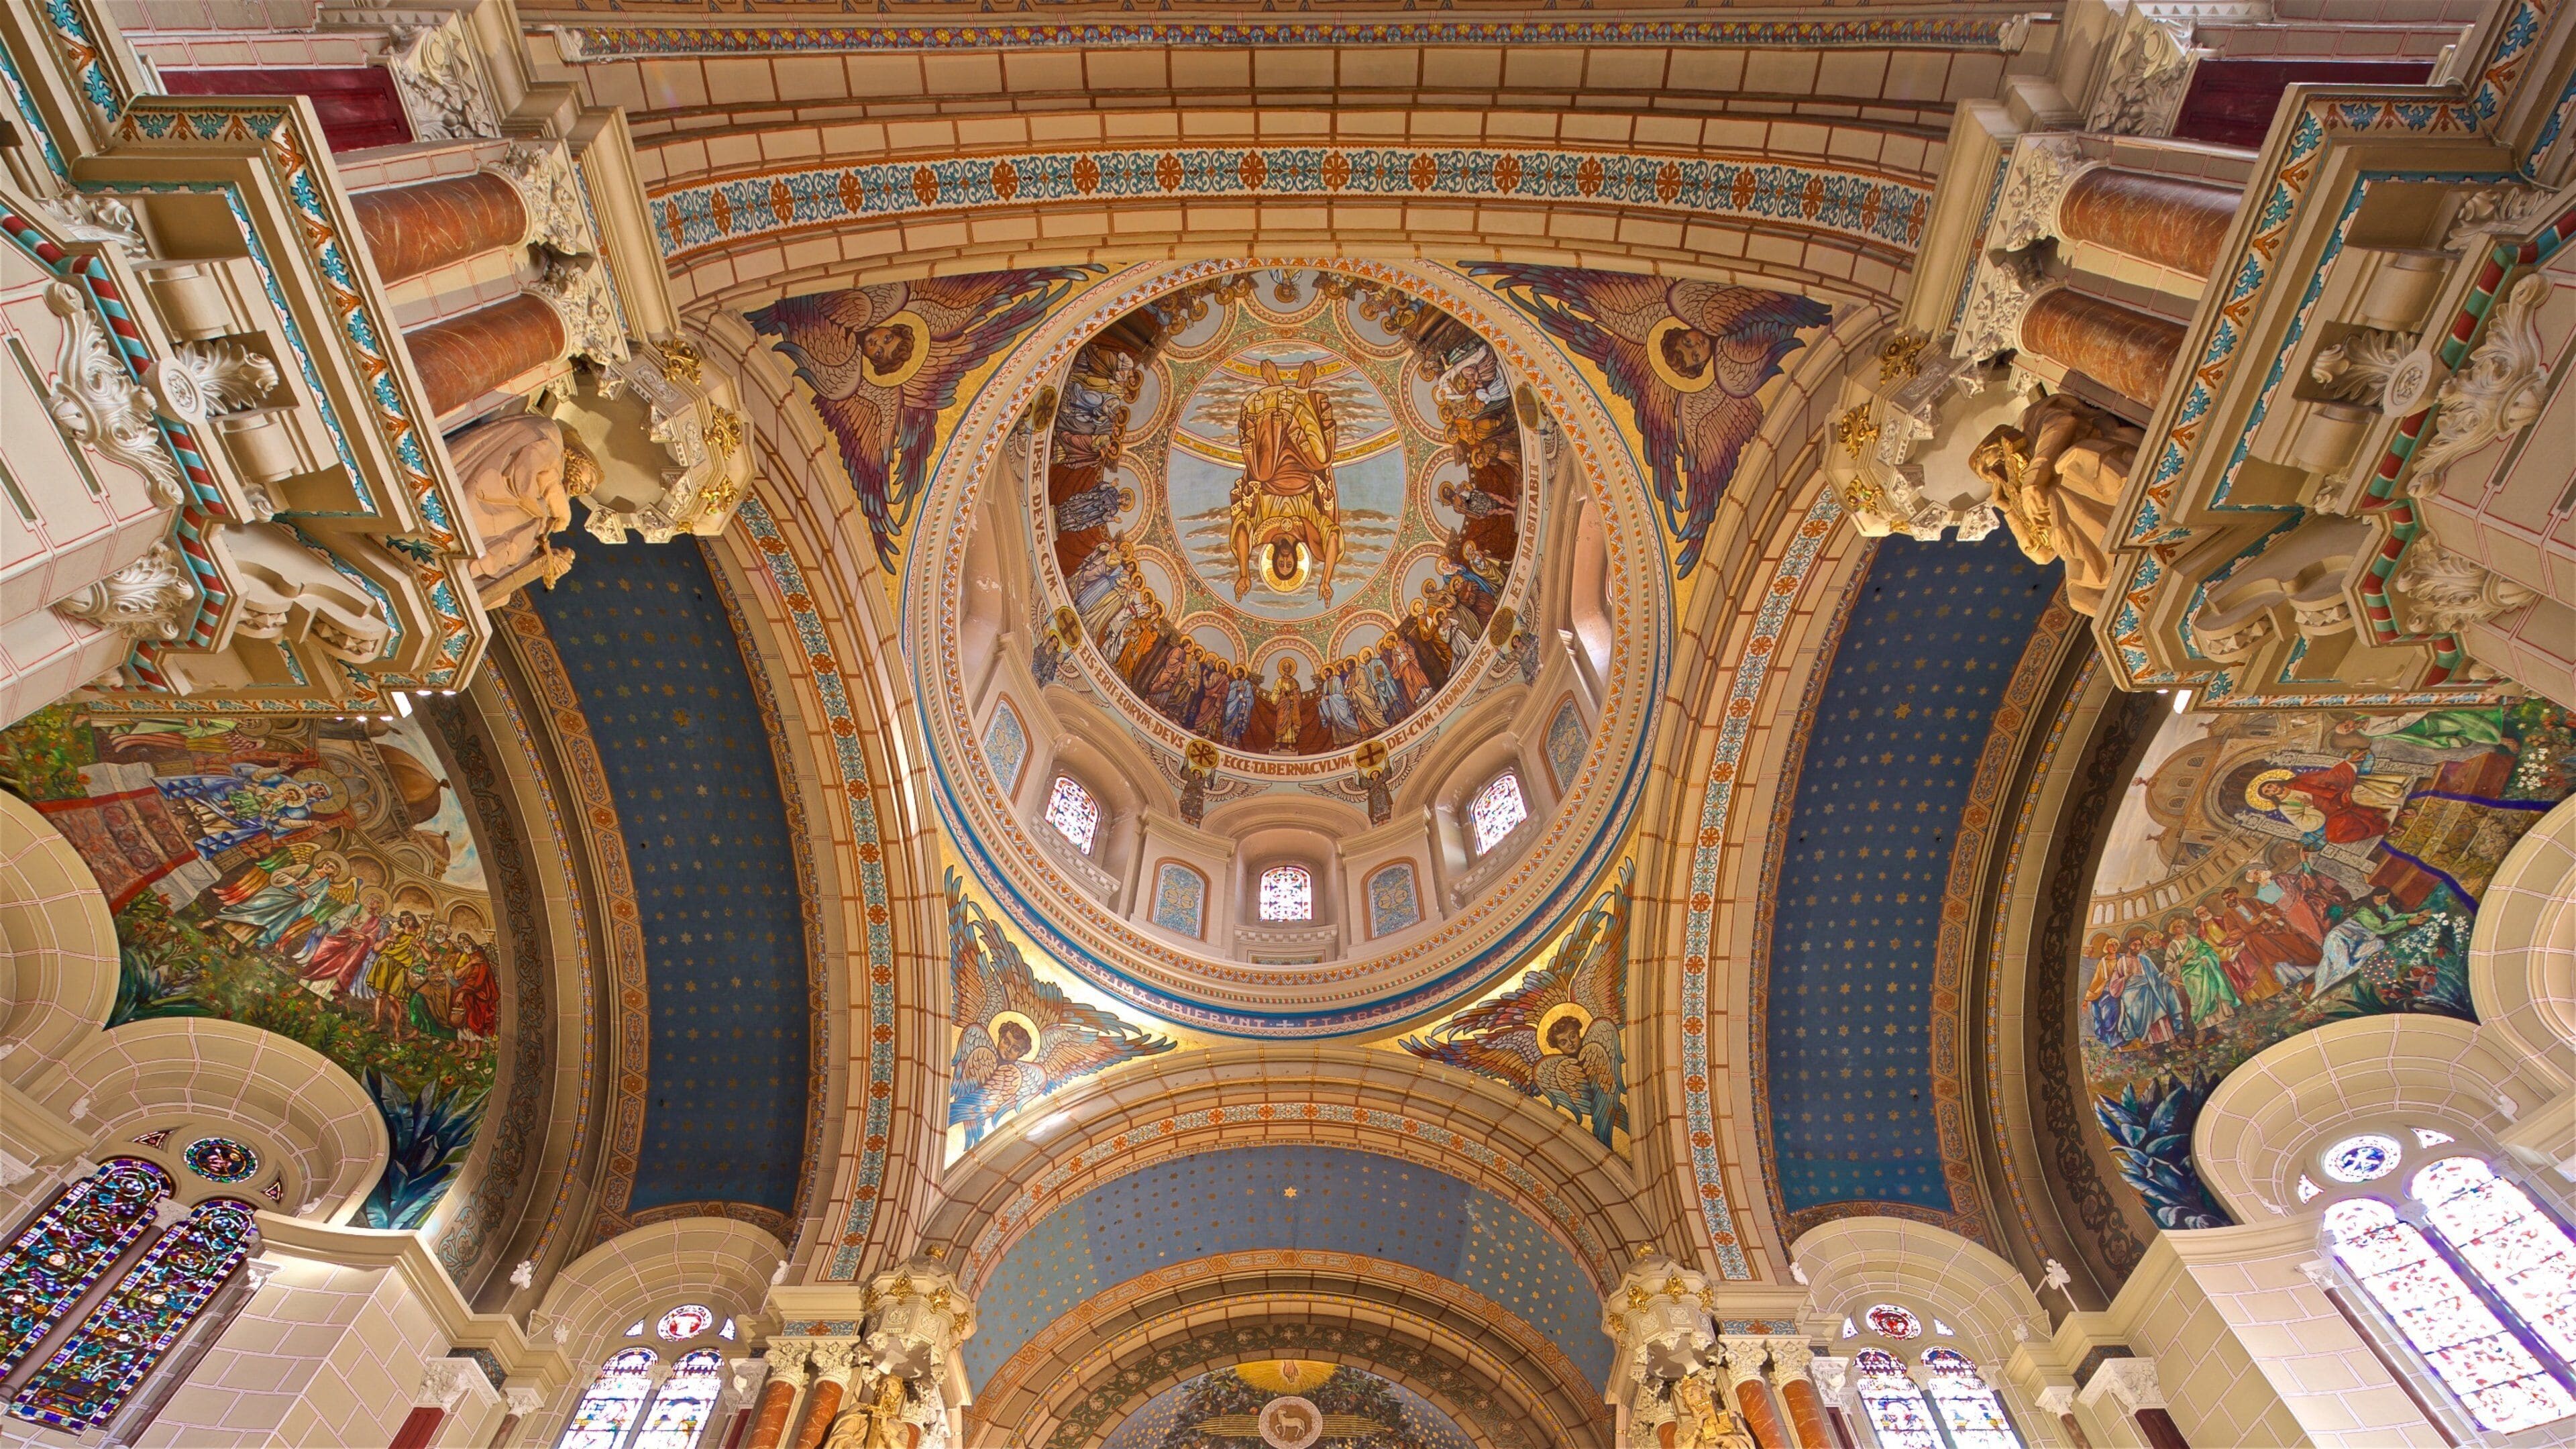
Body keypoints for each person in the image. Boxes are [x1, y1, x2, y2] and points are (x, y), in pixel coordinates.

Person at [1967, 392, 2140, 615]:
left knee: (2062, 476)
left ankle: (2129, 538)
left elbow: (2063, 422)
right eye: (1988, 475)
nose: (1995, 471)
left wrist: (2036, 477)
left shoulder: (2029, 421)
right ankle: (2132, 607)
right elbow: (2043, 555)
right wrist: (2009, 510)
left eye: (1990, 462)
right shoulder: (2019, 498)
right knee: (2080, 595)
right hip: (2075, 536)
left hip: (2097, 464)